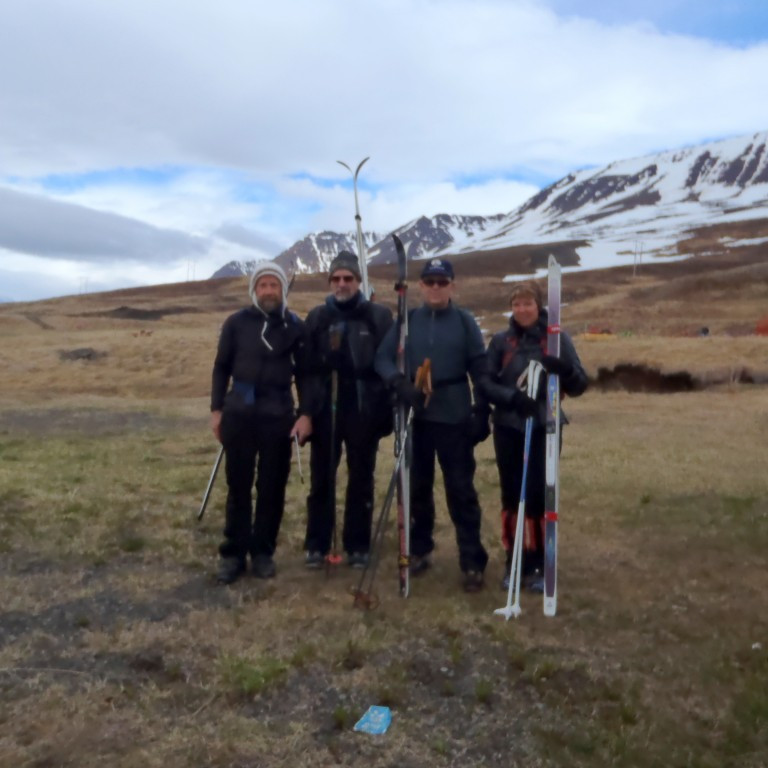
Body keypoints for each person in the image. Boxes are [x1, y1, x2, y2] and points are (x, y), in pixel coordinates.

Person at [374, 258, 491, 593]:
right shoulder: (408, 321)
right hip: (416, 418)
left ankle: (472, 561)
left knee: (461, 491)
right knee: (417, 489)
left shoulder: (465, 321)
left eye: (442, 282)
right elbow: (381, 359)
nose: (436, 288)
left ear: (452, 285)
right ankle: (420, 549)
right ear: (421, 286)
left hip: (454, 415)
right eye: (430, 282)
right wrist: (399, 382)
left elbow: (479, 367)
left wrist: (481, 410)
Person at [210, 261, 314, 584]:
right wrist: (217, 410)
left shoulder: (295, 327)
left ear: (283, 289)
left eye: (274, 285)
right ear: (254, 290)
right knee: (238, 486)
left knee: (271, 487)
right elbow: (221, 367)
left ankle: (263, 552)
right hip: (239, 414)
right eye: (263, 285)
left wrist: (306, 415)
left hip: (278, 415)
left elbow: (307, 375)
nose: (268, 291)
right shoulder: (236, 324)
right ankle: (234, 554)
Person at [480, 281, 588, 593]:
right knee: (513, 495)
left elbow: (580, 384)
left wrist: (564, 370)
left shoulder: (555, 340)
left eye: (528, 303)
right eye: (517, 304)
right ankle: (515, 560)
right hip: (508, 425)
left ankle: (541, 561)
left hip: (546, 425)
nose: (522, 309)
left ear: (538, 306)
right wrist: (511, 398)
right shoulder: (502, 341)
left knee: (542, 494)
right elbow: (485, 383)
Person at [303, 251, 394, 569]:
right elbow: (306, 368)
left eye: (348, 278)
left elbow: (390, 363)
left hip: (362, 407)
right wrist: (306, 410)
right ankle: (317, 543)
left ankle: (357, 545)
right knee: (322, 478)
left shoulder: (378, 316)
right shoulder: (317, 317)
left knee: (361, 478)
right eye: (337, 279)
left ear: (358, 282)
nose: (342, 284)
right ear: (330, 282)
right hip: (325, 408)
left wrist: (385, 410)